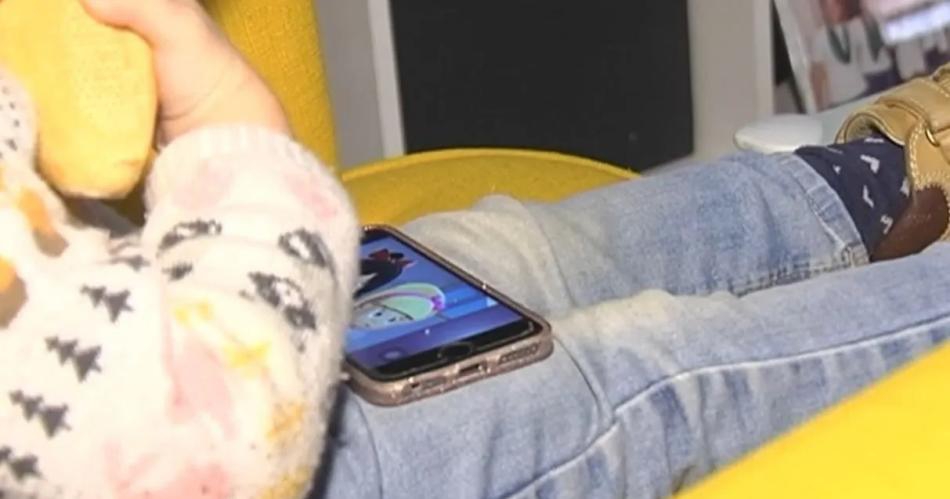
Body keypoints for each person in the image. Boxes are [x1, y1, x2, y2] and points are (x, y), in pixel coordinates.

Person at [3, 1, 950, 498]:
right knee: (642, 380)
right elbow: (204, 445)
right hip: (194, 435)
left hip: (141, 318)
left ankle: (865, 186)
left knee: (527, 249)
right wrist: (233, 136)